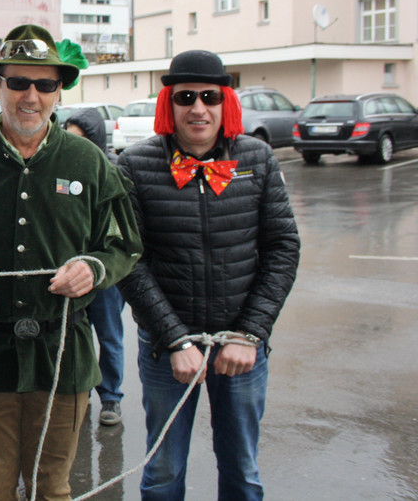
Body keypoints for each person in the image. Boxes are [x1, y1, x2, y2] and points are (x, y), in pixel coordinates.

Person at [0, 24, 143, 501]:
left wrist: (94, 268)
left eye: (45, 84)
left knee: (51, 490)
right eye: (18, 82)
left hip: (63, 359)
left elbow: (124, 245)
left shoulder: (89, 162)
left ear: (58, 90)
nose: (31, 96)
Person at [115, 50, 299, 500]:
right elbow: (129, 260)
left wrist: (249, 334)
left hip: (242, 348)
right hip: (166, 352)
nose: (198, 108)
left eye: (210, 97)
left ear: (225, 102)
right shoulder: (135, 165)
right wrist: (175, 341)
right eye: (186, 97)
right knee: (162, 472)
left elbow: (282, 248)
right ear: (169, 103)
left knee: (243, 472)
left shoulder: (258, 157)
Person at [64, 107, 125, 426]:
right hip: (71, 271)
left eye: (80, 139)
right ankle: (81, 388)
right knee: (77, 334)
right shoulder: (61, 170)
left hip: (104, 275)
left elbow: (124, 233)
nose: (73, 145)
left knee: (109, 335)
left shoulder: (112, 173)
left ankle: (111, 396)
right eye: (68, 137)